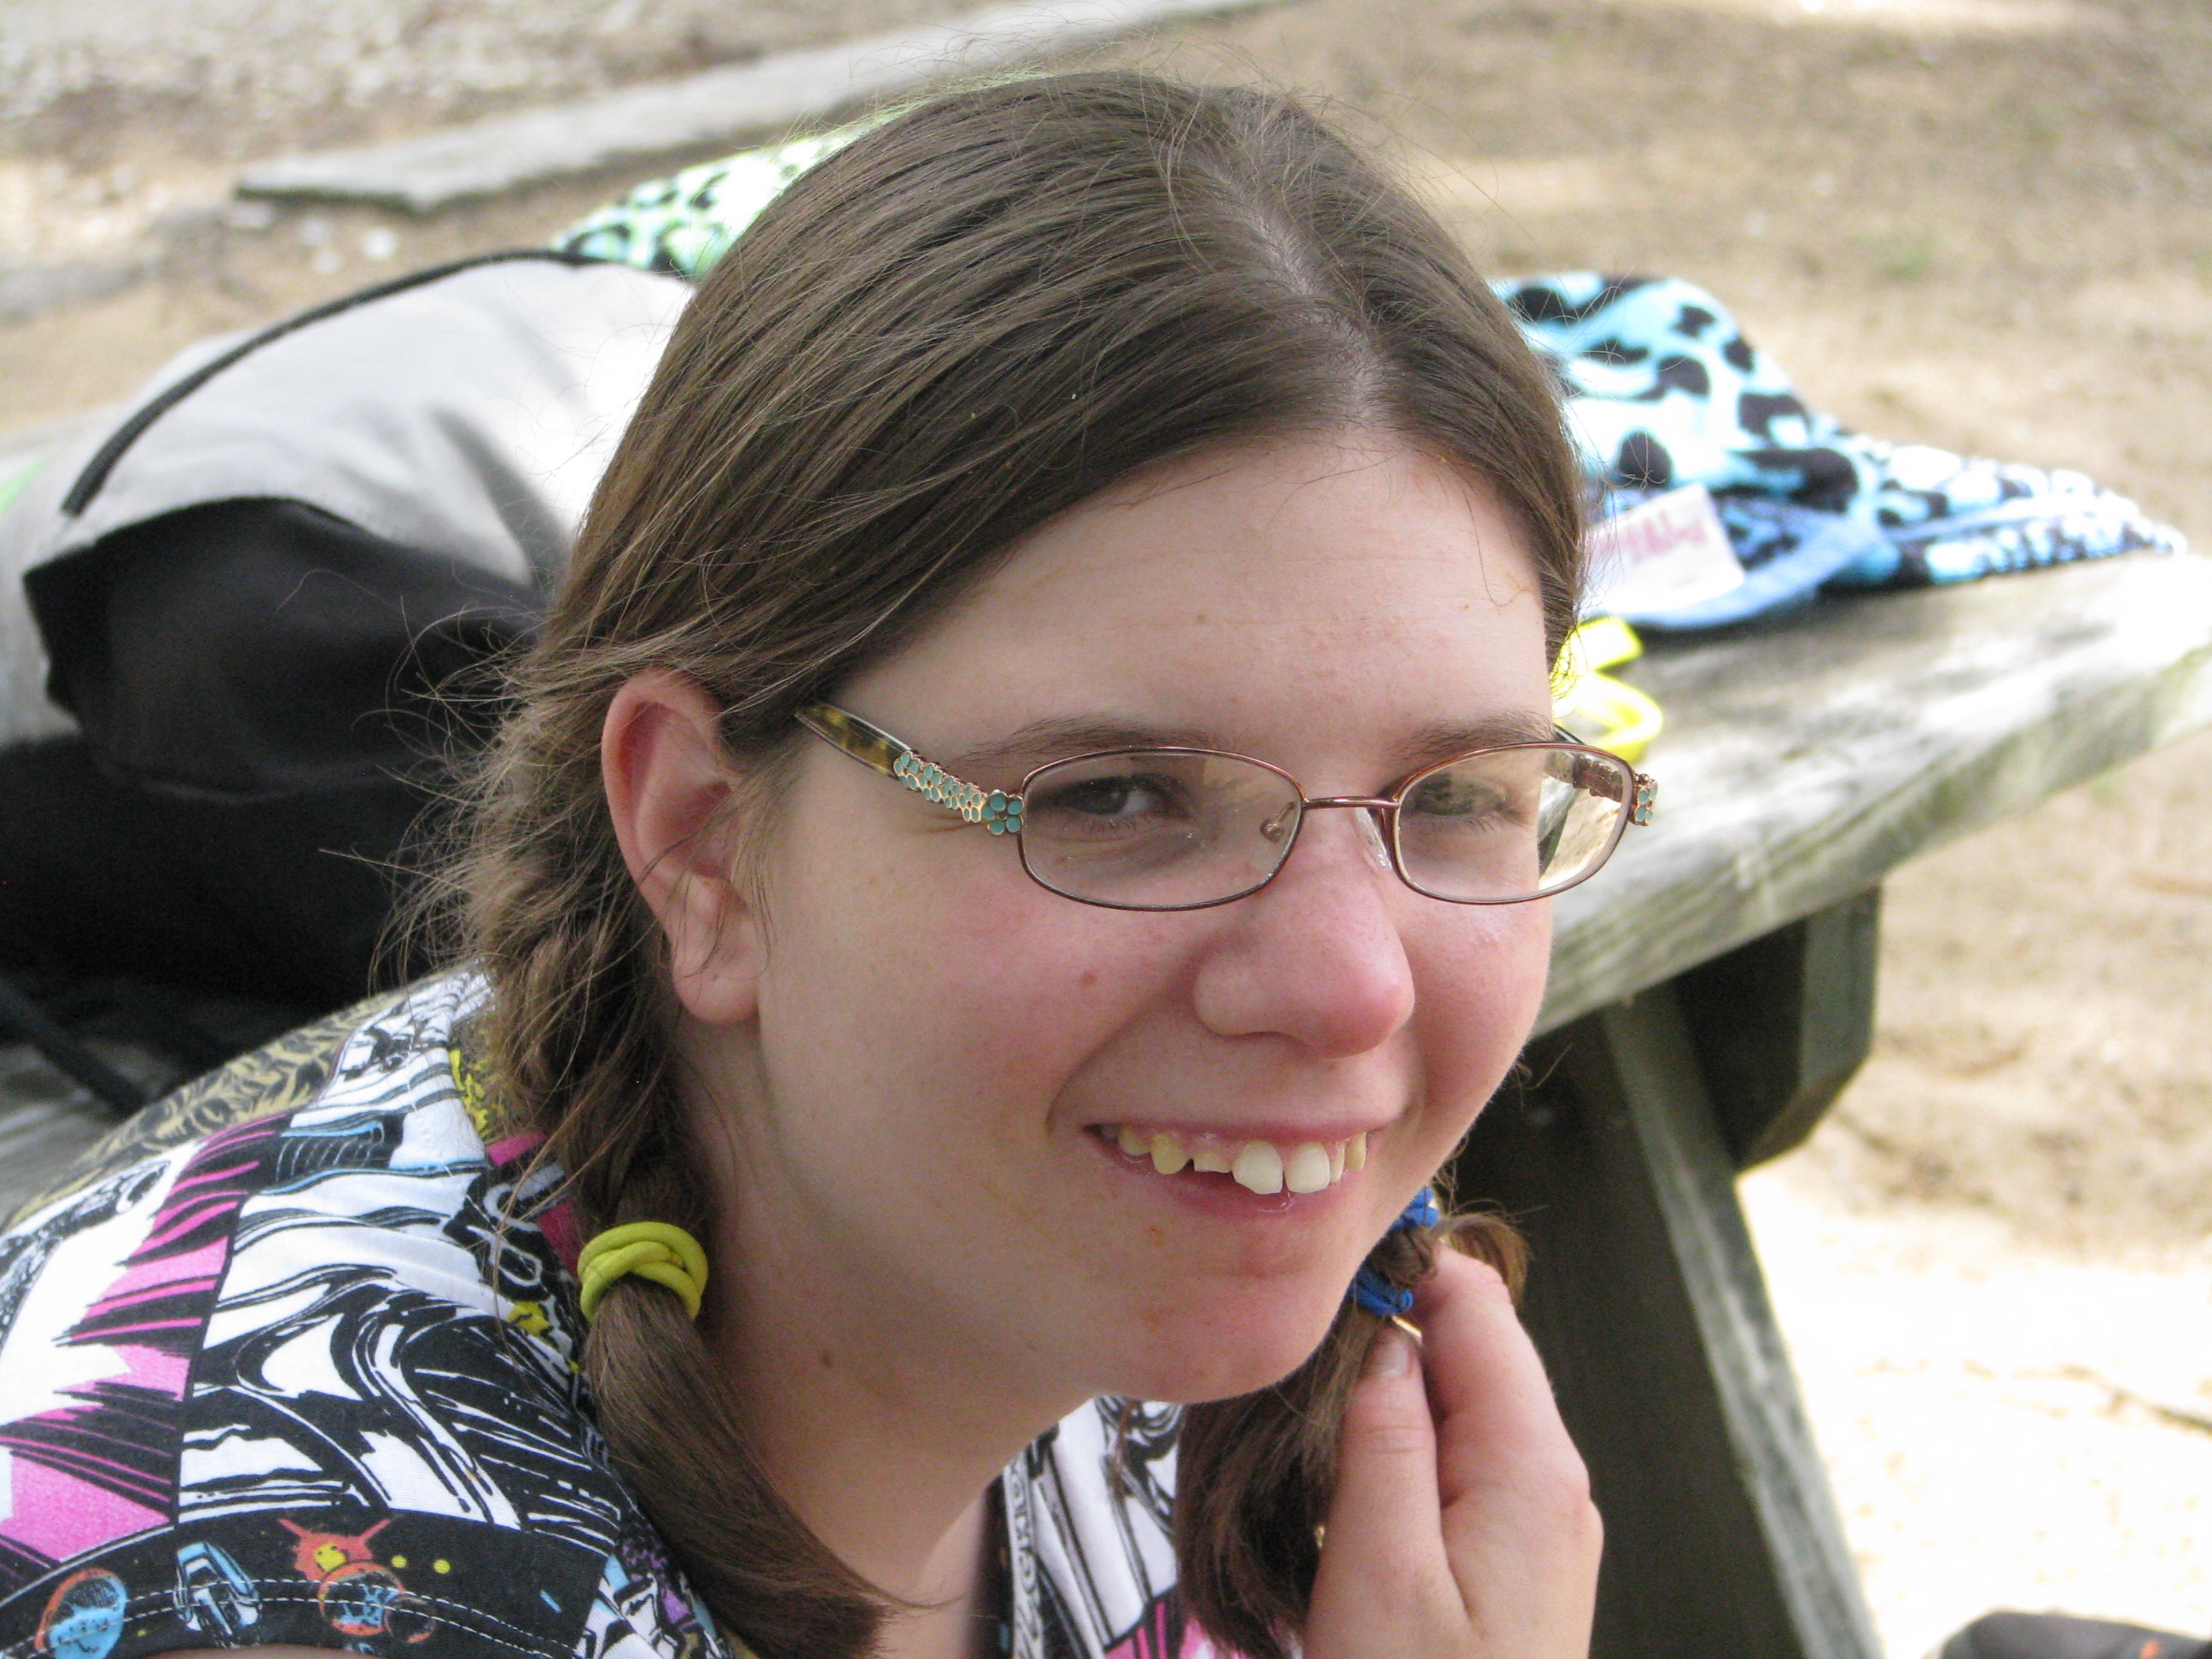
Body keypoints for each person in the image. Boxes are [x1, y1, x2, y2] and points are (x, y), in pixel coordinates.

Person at [0, 71, 1656, 1659]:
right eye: (1120, 797)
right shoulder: (314, 1590)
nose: (1351, 984)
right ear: (703, 838)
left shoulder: (1031, 1255)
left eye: (1458, 794)